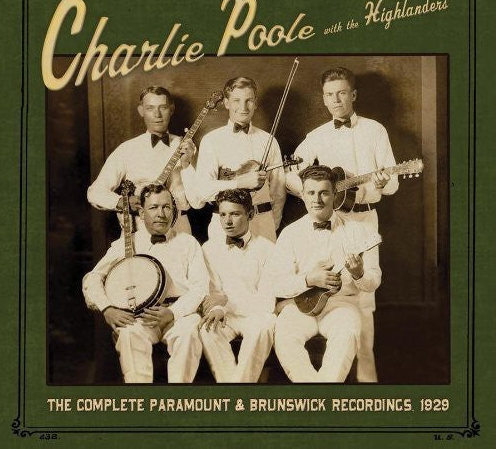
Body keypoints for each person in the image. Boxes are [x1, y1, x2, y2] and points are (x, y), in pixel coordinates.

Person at [285, 67, 398, 383]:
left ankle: (367, 379)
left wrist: (382, 181)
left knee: (364, 300)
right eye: (329, 94)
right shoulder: (316, 136)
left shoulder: (375, 130)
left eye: (342, 93)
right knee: (332, 294)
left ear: (354, 94)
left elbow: (393, 184)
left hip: (363, 217)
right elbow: (289, 174)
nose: (336, 100)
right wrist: (314, 194)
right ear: (323, 98)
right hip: (329, 220)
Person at [263, 165, 382, 382]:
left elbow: (373, 282)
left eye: (324, 193)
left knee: (347, 334)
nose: (317, 199)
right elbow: (276, 284)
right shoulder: (290, 234)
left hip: (341, 304)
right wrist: (309, 279)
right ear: (302, 194)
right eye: (311, 193)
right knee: (285, 337)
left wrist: (359, 274)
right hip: (300, 304)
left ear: (335, 194)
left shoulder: (360, 232)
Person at [82, 184, 209, 383]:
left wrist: (172, 312)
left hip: (179, 314)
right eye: (153, 207)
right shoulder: (127, 243)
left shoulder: (188, 243)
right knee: (129, 334)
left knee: (188, 334)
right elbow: (93, 277)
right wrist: (107, 308)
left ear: (174, 211)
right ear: (142, 213)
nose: (161, 214)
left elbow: (200, 287)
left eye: (166, 207)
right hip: (140, 315)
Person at [87, 85, 199, 234]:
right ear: (141, 111)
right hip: (140, 229)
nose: (157, 114)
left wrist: (186, 165)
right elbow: (95, 192)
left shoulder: (187, 147)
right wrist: (122, 202)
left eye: (163, 107)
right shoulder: (127, 149)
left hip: (179, 227)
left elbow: (199, 201)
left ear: (171, 109)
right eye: (150, 108)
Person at [194, 76, 286, 243]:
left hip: (263, 224)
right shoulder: (211, 140)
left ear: (255, 103)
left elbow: (278, 192)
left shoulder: (269, 140)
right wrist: (239, 183)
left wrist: (271, 224)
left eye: (248, 100)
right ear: (226, 103)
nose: (243, 107)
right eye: (236, 100)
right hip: (225, 226)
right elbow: (203, 189)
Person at [199, 188, 276, 383]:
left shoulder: (268, 249)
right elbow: (213, 292)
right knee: (208, 330)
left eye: (235, 214)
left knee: (263, 327)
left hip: (256, 315)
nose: (228, 221)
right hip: (226, 315)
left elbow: (266, 302)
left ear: (250, 214)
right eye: (223, 214)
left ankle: (236, 390)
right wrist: (218, 307)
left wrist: (225, 303)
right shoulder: (209, 248)